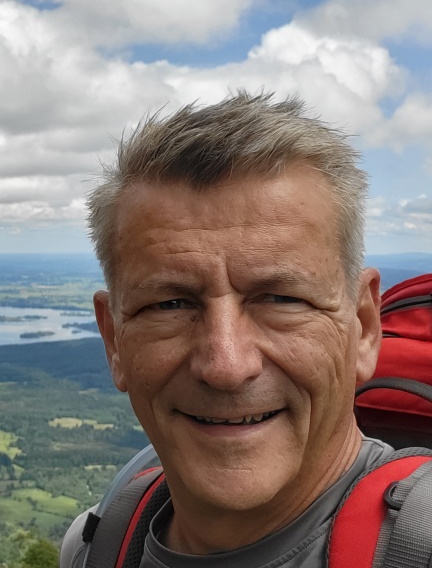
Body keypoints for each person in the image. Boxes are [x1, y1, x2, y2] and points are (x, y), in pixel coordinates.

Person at [62, 92, 391, 566]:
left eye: (281, 299)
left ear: (363, 327)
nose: (226, 366)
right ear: (114, 340)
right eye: (170, 304)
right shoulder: (94, 545)